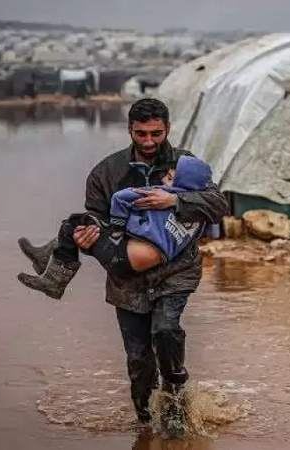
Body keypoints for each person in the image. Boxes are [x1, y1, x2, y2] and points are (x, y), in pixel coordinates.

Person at [17, 98, 229, 431]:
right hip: (127, 279)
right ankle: (145, 426)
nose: (149, 141)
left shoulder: (186, 165)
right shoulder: (106, 172)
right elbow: (99, 228)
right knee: (139, 362)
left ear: (167, 129)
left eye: (156, 133)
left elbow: (218, 205)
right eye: (141, 134)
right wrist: (86, 239)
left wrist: (174, 198)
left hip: (176, 271)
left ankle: (176, 407)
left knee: (166, 331)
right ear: (129, 129)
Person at [17, 155, 213, 299]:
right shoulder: (195, 215)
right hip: (146, 264)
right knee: (91, 226)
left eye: (170, 178)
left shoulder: (159, 193)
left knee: (77, 223)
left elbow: (121, 197)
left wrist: (118, 228)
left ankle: (54, 280)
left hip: (122, 258)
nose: (163, 180)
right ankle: (47, 258)